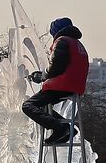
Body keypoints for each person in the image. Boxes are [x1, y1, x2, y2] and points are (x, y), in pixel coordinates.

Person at [22, 17, 88, 145]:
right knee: (44, 106)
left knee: (28, 106)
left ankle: (60, 128)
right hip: (75, 87)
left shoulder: (62, 41)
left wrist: (43, 76)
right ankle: (67, 129)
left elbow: (56, 66)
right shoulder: (78, 44)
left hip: (61, 86)